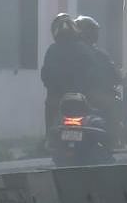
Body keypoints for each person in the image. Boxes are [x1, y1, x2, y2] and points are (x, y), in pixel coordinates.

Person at [41, 14, 100, 144]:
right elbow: (94, 71)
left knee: (50, 108)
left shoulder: (52, 49)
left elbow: (45, 75)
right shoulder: (83, 48)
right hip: (83, 96)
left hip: (59, 97)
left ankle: (49, 138)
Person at [74, 15, 127, 150]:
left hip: (70, 94)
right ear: (90, 33)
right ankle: (114, 139)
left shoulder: (69, 50)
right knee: (115, 104)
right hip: (92, 94)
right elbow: (114, 74)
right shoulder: (97, 53)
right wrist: (121, 79)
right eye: (94, 31)